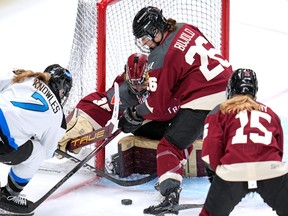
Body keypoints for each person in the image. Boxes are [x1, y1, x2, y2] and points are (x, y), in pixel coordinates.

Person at [117, 6, 233, 215]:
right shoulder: (186, 28)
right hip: (229, 91)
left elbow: (157, 108)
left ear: (155, 29)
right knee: (186, 134)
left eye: (145, 37)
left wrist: (135, 114)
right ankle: (171, 175)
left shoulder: (160, 57)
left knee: (170, 146)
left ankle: (169, 194)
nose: (144, 42)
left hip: (205, 99)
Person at [199, 68, 288, 216]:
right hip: (271, 169)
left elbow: (210, 150)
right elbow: (278, 149)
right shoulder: (270, 113)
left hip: (233, 171)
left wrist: (218, 175)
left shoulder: (219, 110)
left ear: (230, 88)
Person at [56, 53, 169, 157]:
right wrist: (86, 119)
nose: (138, 89)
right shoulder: (122, 91)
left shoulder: (163, 77)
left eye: (142, 84)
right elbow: (105, 104)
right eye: (133, 85)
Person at [0, 64, 72, 214]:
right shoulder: (58, 118)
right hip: (2, 141)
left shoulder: (23, 75)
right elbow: (46, 152)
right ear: (62, 89)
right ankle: (9, 195)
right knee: (37, 153)